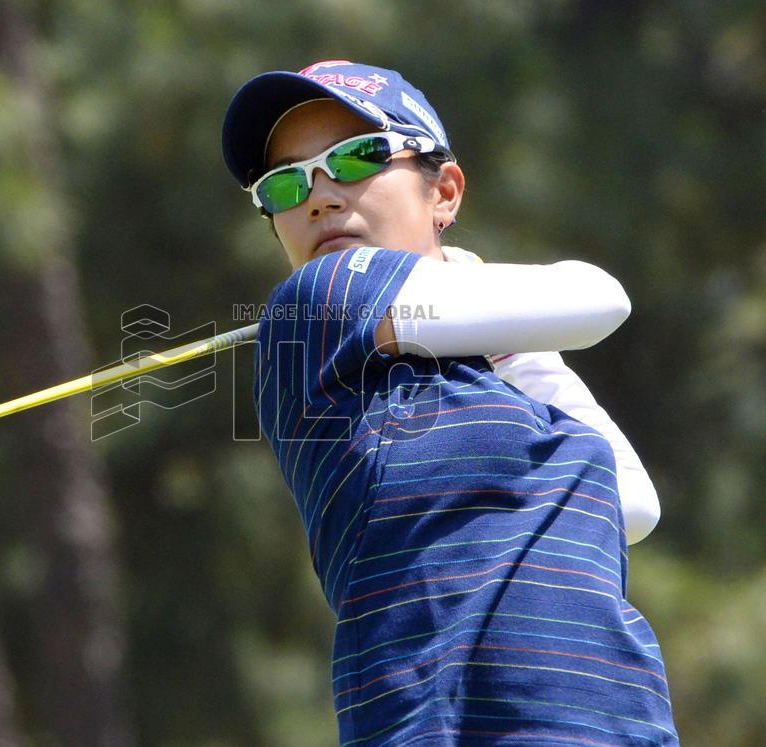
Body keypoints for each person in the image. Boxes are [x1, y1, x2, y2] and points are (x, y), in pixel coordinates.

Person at [222, 61, 678, 745]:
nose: (318, 196)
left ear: (446, 191)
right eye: (285, 183)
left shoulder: (492, 377)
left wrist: (500, 341)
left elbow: (634, 504)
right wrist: (466, 286)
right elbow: (600, 297)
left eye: (356, 156)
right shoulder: (313, 306)